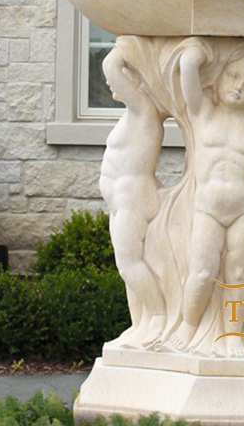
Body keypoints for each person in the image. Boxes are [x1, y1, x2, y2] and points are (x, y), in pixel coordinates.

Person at [171, 42, 244, 355]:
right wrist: (195, 54)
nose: (238, 87)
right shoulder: (202, 112)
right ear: (219, 77)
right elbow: (187, 75)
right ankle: (188, 324)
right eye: (232, 76)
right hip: (207, 208)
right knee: (202, 271)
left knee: (238, 274)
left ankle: (234, 335)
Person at [99, 42, 167, 347]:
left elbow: (110, 68)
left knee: (130, 263)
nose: (116, 86)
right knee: (129, 266)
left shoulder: (144, 110)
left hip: (134, 198)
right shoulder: (136, 113)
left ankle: (159, 318)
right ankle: (141, 325)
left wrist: (124, 51)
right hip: (124, 199)